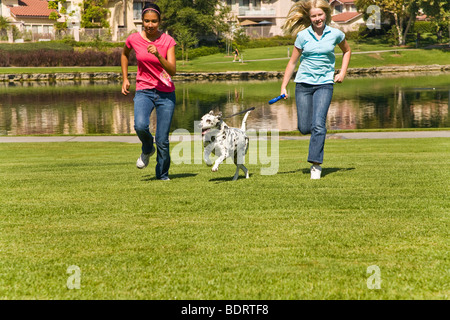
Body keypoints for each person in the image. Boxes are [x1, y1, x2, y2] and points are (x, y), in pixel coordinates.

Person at [280, 0, 351, 179]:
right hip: (303, 84)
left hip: (325, 84)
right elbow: (292, 63)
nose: (318, 18)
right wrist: (283, 86)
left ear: (325, 14)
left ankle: (316, 165)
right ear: (309, 17)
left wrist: (342, 72)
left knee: (319, 124)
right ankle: (316, 134)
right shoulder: (303, 36)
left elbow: (347, 51)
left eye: (320, 15)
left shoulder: (336, 34)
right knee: (305, 127)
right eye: (314, 16)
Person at [121, 3, 177, 181]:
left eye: (154, 21)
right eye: (147, 21)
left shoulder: (168, 41)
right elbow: (124, 54)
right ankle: (147, 148)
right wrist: (125, 78)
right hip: (144, 90)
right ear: (142, 21)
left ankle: (162, 175)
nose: (150, 25)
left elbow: (173, 70)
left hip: (166, 93)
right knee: (140, 126)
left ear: (160, 21)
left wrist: (158, 55)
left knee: (162, 139)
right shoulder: (133, 39)